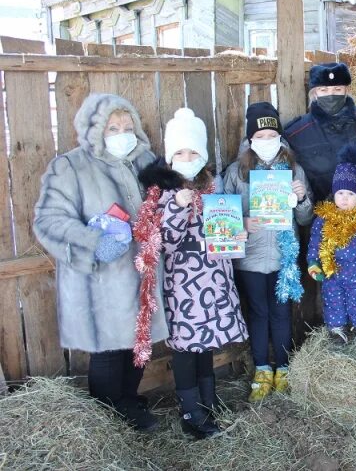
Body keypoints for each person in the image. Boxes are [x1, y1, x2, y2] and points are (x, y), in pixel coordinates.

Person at [33, 93, 168, 432]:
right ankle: (109, 418)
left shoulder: (146, 162)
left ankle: (128, 401)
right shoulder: (70, 167)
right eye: (113, 127)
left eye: (127, 127)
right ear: (95, 130)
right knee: (108, 351)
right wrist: (94, 244)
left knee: (139, 344)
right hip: (101, 282)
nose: (122, 134)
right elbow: (48, 220)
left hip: (142, 276)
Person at [135, 108, 248, 439]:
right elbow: (165, 241)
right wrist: (177, 207)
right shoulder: (163, 192)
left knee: (206, 345)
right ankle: (190, 412)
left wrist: (236, 234)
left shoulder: (212, 185)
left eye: (193, 152)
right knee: (185, 348)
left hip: (213, 281)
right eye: (180, 152)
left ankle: (209, 403)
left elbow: (219, 230)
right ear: (170, 157)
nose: (187, 158)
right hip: (183, 287)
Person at [223, 102, 314, 401]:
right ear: (250, 139)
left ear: (279, 136)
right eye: (259, 135)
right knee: (258, 313)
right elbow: (222, 216)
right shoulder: (237, 171)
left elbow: (304, 219)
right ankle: (262, 369)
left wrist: (301, 199)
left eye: (270, 133)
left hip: (283, 258)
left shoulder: (293, 168)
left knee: (281, 314)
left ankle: (284, 369)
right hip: (249, 258)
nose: (265, 140)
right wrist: (243, 221)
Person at [307, 144, 356, 349]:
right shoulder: (324, 218)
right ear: (333, 194)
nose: (344, 198)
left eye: (350, 194)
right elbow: (316, 241)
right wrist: (313, 262)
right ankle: (337, 331)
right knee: (334, 301)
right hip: (332, 273)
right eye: (340, 192)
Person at [284, 62, 356, 201]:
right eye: (323, 90)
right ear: (314, 93)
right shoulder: (296, 134)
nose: (331, 95)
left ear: (346, 90)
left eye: (337, 89)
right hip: (323, 217)